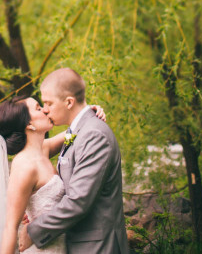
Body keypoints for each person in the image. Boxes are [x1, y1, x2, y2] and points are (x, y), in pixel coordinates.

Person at [0, 88, 108, 253]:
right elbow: (10, 226)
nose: (46, 110)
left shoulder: (43, 148)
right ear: (29, 124)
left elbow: (74, 132)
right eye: (38, 108)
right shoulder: (25, 166)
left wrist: (91, 112)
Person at [20, 68, 129, 253]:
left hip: (98, 246)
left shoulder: (94, 135)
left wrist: (33, 231)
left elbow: (78, 201)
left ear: (69, 102)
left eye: (48, 103)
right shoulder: (76, 132)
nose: (45, 110)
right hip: (78, 243)